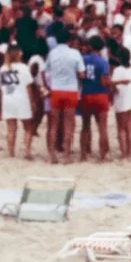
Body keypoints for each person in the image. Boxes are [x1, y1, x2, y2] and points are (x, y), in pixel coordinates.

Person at [45, 28, 85, 164]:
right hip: (70, 90)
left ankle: (52, 155)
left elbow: (46, 70)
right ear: (69, 40)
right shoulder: (75, 53)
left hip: (56, 89)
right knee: (69, 124)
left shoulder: (52, 53)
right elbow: (82, 74)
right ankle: (66, 155)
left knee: (54, 124)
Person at [0, 44, 37, 159]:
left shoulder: (3, 68)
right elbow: (28, 86)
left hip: (8, 98)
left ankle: (11, 152)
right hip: (22, 98)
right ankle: (27, 151)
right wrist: (32, 102)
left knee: (11, 128)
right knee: (28, 127)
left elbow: (2, 87)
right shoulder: (23, 68)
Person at [79, 35, 112, 162]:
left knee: (85, 126)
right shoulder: (103, 62)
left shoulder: (83, 59)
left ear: (90, 46)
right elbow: (104, 82)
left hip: (87, 93)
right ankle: (102, 156)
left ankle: (83, 155)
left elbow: (80, 76)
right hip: (100, 94)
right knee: (102, 127)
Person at [110, 46, 131, 161]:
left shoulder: (118, 70)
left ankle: (123, 153)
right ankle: (129, 152)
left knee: (121, 128)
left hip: (122, 100)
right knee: (129, 126)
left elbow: (114, 86)